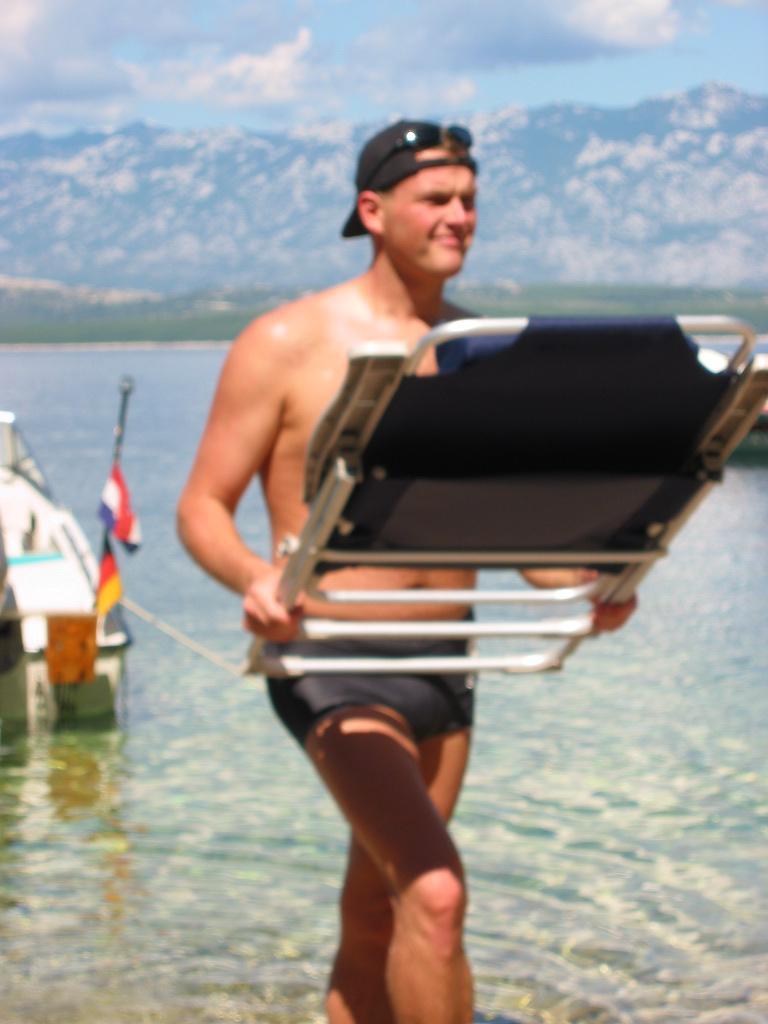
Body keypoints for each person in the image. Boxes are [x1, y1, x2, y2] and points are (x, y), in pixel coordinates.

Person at [177, 119, 636, 1024]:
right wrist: (253, 580)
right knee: (436, 893)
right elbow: (200, 507)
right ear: (373, 210)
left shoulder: (483, 348)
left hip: (449, 665)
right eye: (436, 199)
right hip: (334, 660)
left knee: (379, 911)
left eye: (469, 200)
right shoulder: (286, 340)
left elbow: (513, 534)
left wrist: (589, 585)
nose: (460, 216)